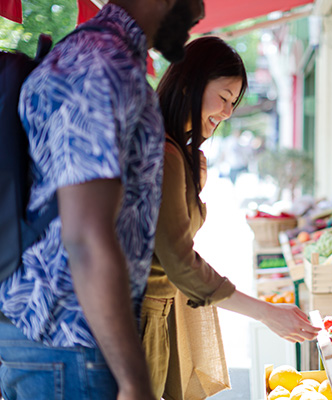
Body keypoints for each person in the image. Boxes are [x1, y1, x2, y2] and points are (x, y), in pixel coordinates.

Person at [0, 0, 205, 398]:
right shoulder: (102, 65)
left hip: (61, 341)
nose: (199, 11)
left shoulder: (104, 58)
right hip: (68, 343)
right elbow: (86, 237)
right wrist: (134, 379)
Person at [144, 36, 320, 399]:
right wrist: (265, 313)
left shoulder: (177, 152)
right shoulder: (164, 154)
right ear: (190, 82)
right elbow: (179, 262)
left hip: (150, 317)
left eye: (233, 103)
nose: (227, 112)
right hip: (138, 321)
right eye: (224, 97)